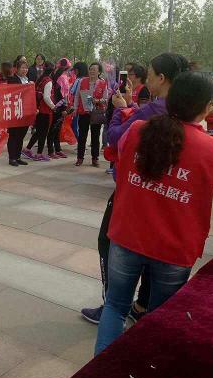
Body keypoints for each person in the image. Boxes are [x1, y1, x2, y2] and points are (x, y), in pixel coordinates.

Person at [94, 72, 213, 355]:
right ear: (206, 108)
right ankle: (144, 370)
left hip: (126, 235)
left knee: (115, 306)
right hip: (173, 248)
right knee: (160, 317)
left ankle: (101, 370)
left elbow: (120, 154)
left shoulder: (138, 130)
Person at [80, 52, 190, 325]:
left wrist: (120, 110)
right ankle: (142, 305)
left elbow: (116, 138)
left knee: (108, 241)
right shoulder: (186, 110)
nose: (146, 79)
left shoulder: (153, 110)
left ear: (161, 78)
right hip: (168, 191)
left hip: (136, 185)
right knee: (155, 250)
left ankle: (113, 306)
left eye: (149, 74)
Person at [73, 62, 108, 167]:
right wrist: (75, 108)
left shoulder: (103, 83)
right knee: (82, 136)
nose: (92, 71)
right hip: (84, 112)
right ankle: (80, 158)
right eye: (90, 69)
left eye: (94, 69)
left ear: (99, 72)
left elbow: (106, 99)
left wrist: (97, 100)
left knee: (95, 136)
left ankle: (95, 158)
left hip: (96, 113)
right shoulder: (82, 81)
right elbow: (77, 96)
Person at [23, 62, 56, 161]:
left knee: (38, 132)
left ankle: (27, 149)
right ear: (53, 71)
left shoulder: (40, 80)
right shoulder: (48, 81)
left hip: (38, 109)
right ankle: (39, 154)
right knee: (43, 133)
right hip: (45, 111)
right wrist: (53, 107)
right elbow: (46, 97)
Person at [46, 60, 71, 159]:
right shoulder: (62, 78)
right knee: (54, 129)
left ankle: (57, 149)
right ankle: (51, 151)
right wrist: (64, 108)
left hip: (59, 106)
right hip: (58, 107)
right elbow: (62, 95)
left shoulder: (60, 77)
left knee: (57, 129)